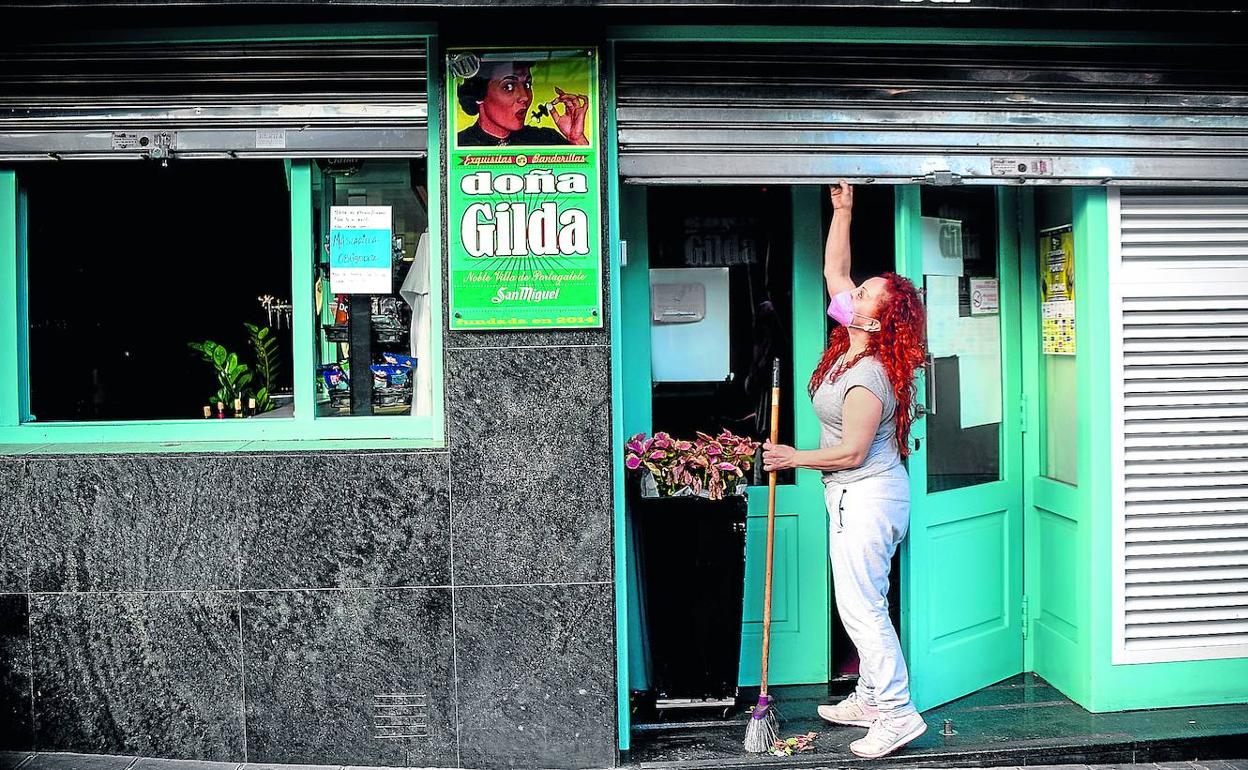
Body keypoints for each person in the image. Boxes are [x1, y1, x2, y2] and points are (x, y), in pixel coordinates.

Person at [762, 181, 928, 759]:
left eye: (865, 295)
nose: (851, 294)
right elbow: (835, 270)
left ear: (882, 319)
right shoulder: (852, 342)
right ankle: (869, 695)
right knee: (861, 600)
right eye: (858, 290)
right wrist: (843, 211)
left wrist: (793, 457)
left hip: (869, 495)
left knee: (862, 608)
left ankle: (897, 713)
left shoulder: (871, 373)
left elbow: (854, 452)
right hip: (850, 496)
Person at [456, 61, 589, 147]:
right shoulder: (459, 144)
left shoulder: (546, 139)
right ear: (479, 94)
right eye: (508, 86)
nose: (525, 96)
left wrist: (577, 139)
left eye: (527, 84)